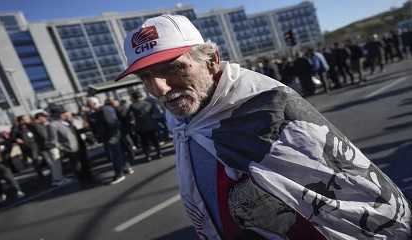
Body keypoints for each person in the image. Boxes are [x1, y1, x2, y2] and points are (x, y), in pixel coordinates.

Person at [115, 15, 411, 239]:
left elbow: (355, 197)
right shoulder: (181, 117)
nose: (159, 88)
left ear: (211, 60)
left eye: (172, 68)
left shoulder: (267, 107)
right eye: (145, 77)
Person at [87, 97, 132, 184]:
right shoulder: (105, 109)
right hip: (113, 136)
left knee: (115, 155)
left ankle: (119, 174)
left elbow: (111, 123)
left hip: (112, 136)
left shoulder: (105, 110)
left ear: (93, 104)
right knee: (119, 153)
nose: (88, 107)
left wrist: (110, 135)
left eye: (89, 105)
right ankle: (126, 168)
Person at [126, 91, 162, 161]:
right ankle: (159, 153)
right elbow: (153, 113)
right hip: (152, 125)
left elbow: (128, 116)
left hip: (141, 127)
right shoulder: (148, 103)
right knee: (155, 141)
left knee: (145, 143)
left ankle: (148, 156)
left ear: (133, 97)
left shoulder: (132, 106)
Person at [32, 112, 66, 186]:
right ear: (40, 117)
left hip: (46, 146)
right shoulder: (38, 125)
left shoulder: (36, 125)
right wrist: (53, 139)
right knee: (56, 162)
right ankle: (58, 179)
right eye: (44, 117)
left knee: (54, 163)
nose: (46, 118)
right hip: (50, 145)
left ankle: (57, 178)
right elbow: (45, 135)